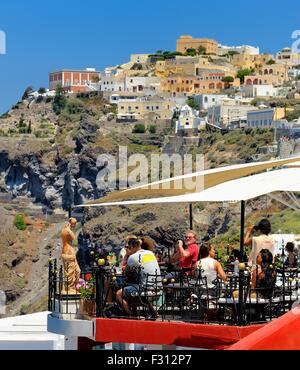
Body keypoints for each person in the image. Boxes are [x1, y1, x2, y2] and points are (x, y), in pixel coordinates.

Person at [116, 239, 161, 316]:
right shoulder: (150, 253)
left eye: (129, 248)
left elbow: (125, 273)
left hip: (145, 288)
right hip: (158, 287)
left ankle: (131, 315)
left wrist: (127, 256)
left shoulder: (133, 257)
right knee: (134, 288)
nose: (129, 249)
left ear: (133, 247)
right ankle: (153, 313)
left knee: (119, 294)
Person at [61, 218, 81, 294]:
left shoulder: (67, 229)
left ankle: (73, 286)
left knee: (78, 271)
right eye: (74, 224)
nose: (74, 226)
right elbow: (74, 238)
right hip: (67, 252)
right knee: (70, 272)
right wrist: (69, 230)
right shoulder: (65, 230)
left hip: (70, 251)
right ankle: (69, 288)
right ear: (70, 223)